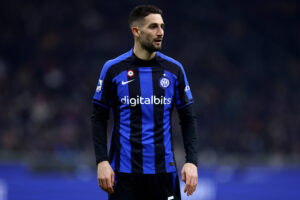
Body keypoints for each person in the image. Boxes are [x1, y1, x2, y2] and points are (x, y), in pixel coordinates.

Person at [91, 5, 198, 200]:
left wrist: (192, 162)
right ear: (136, 31)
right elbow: (98, 118)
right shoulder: (113, 69)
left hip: (164, 174)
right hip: (124, 176)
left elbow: (188, 118)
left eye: (162, 26)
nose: (160, 32)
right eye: (153, 27)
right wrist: (102, 162)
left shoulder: (174, 70)